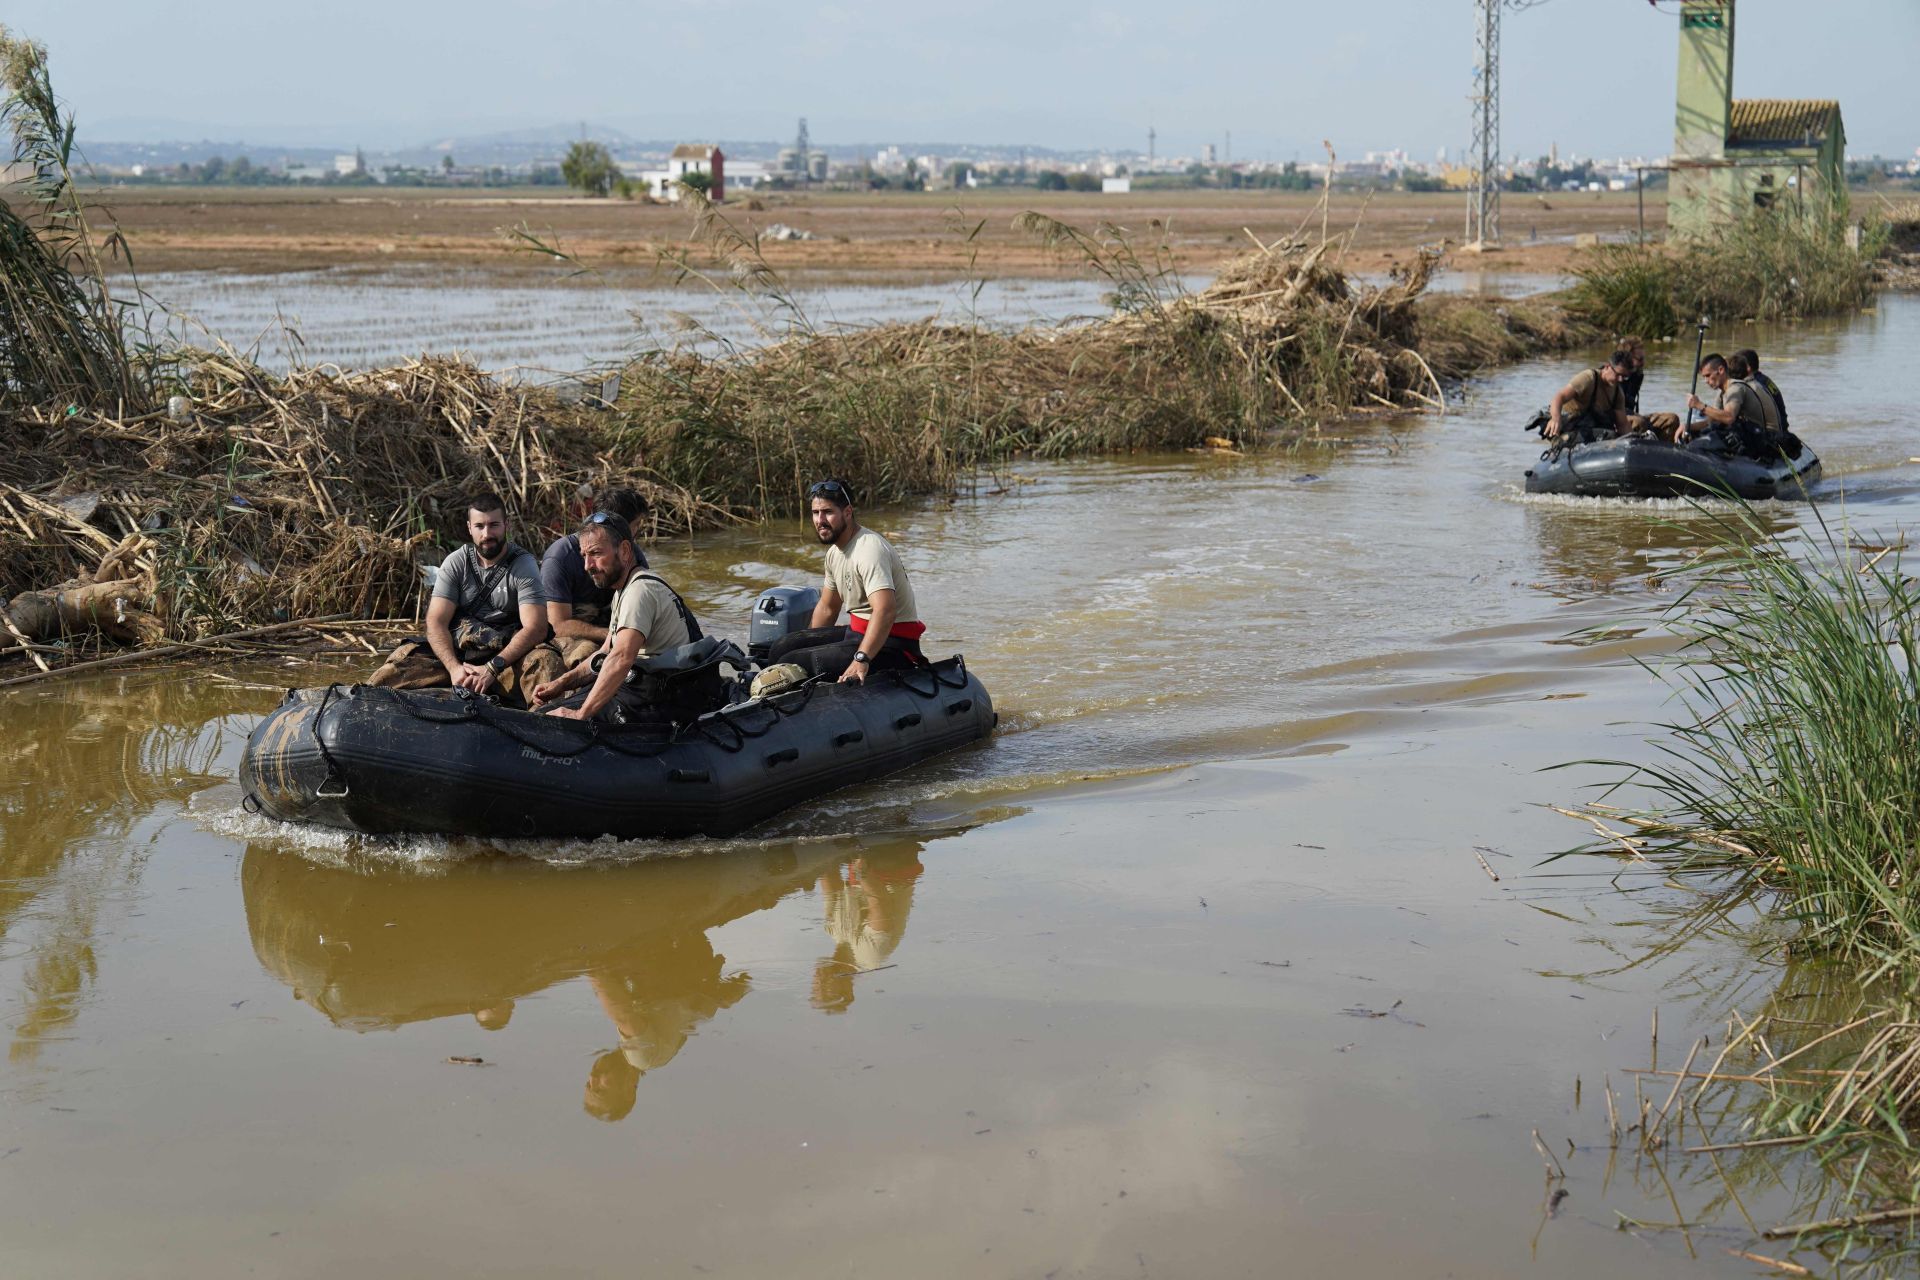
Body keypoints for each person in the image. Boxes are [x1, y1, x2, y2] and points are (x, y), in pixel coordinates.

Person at [367, 492, 560, 706]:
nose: (487, 534)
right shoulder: (455, 562)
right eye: (480, 526)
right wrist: (454, 668)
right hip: (460, 659)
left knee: (545, 663)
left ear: (507, 525)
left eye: (494, 525)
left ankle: (543, 723)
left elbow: (536, 628)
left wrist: (492, 668)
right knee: (398, 662)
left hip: (505, 660)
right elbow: (436, 622)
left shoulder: (524, 565)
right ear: (469, 528)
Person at [530, 513, 700, 723]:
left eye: (596, 553)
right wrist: (561, 684)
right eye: (584, 555)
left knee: (550, 718)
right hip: (645, 687)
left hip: (663, 698)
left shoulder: (640, 591)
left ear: (625, 551)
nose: (587, 565)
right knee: (551, 710)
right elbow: (604, 654)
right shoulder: (623, 590)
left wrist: (580, 715)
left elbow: (621, 658)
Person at [765, 479, 925, 684]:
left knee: (792, 661)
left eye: (828, 512)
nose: (820, 520)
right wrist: (810, 642)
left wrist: (861, 659)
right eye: (815, 513)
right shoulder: (834, 553)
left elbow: (885, 610)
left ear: (848, 512)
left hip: (892, 645)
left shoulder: (869, 549)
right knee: (782, 647)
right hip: (857, 634)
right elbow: (827, 608)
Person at [541, 487, 651, 671]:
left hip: (613, 629)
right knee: (589, 656)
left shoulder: (630, 552)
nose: (638, 531)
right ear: (618, 526)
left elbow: (644, 597)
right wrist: (612, 635)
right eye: (636, 525)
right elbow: (558, 625)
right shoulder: (560, 558)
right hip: (573, 636)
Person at [1684, 352, 1775, 454]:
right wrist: (1687, 427)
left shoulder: (1735, 389)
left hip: (1758, 438)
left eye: (1708, 376)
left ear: (1721, 370)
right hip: (1747, 434)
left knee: (1704, 443)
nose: (1706, 381)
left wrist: (1699, 405)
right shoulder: (1722, 392)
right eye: (1704, 377)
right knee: (1699, 434)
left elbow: (1729, 418)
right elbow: (1710, 421)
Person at [1544, 351, 1635, 446]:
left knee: (1617, 438)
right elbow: (1559, 397)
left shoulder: (1618, 393)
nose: (1620, 380)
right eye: (1618, 374)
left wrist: (1632, 442)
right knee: (1610, 436)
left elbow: (1623, 424)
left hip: (1591, 429)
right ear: (1607, 366)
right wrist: (1555, 419)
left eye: (1624, 377)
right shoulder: (1588, 378)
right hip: (1570, 427)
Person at [1615, 336, 1682, 441]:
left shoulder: (1637, 375)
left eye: (1644, 358)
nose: (1643, 362)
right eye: (1639, 359)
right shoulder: (1615, 375)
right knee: (1639, 422)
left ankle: (1663, 452)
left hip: (1632, 415)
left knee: (1671, 419)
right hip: (1617, 419)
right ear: (1627, 358)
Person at [1734, 347, 1791, 433]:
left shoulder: (1754, 385)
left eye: (1737, 364)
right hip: (1782, 425)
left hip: (1775, 432)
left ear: (1747, 367)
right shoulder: (1763, 379)